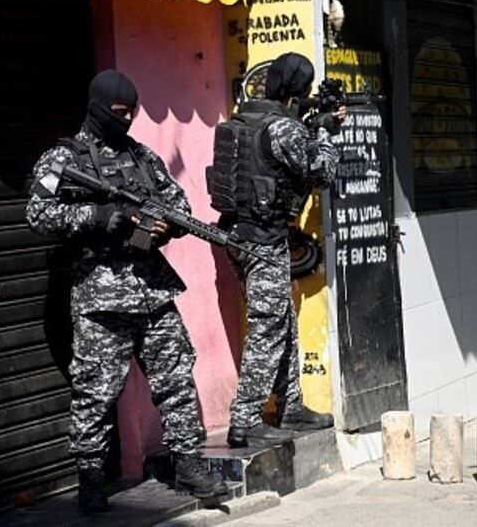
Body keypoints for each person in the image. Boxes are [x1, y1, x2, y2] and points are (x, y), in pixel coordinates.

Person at [26, 69, 227, 513]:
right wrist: (99, 218)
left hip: (153, 291)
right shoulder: (65, 159)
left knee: (176, 380)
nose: (128, 120)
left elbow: (177, 205)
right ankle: (91, 478)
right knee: (96, 393)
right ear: (98, 108)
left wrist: (164, 227)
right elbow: (39, 214)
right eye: (119, 113)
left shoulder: (142, 157)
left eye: (132, 113)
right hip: (101, 299)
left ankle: (189, 464)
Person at [213, 53, 345, 448]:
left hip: (238, 237)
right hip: (264, 240)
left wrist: (310, 125)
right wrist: (324, 132)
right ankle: (245, 419)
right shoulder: (284, 129)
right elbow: (321, 172)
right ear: (296, 92)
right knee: (269, 327)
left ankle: (291, 406)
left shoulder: (243, 119)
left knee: (281, 320)